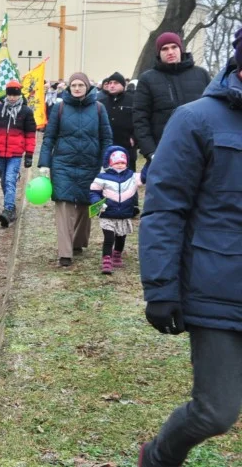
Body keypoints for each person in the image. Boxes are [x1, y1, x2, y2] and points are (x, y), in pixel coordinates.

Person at [137, 32, 242, 467]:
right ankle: (159, 456)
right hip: (217, 286)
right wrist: (161, 288)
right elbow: (164, 209)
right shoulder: (196, 119)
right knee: (216, 410)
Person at [39, 73, 113, 267]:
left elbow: (106, 137)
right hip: (63, 164)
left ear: (87, 87)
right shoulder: (59, 107)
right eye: (74, 85)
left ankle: (78, 242)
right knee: (64, 205)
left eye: (81, 85)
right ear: (69, 87)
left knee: (85, 204)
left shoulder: (98, 108)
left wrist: (107, 163)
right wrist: (44, 164)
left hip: (90, 164)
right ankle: (65, 253)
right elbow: (49, 137)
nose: (77, 88)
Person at [133, 32, 211, 178]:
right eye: (165, 49)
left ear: (180, 49)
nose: (170, 52)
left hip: (199, 151)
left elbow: (213, 112)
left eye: (174, 47)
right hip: (164, 153)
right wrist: (151, 152)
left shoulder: (201, 75)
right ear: (158, 53)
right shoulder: (148, 79)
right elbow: (140, 118)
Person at [0, 80, 37, 227]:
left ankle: (8, 209)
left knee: (10, 180)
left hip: (16, 152)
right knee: (4, 180)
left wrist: (29, 154)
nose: (12, 98)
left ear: (19, 95)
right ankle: (10, 205)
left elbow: (30, 135)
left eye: (15, 95)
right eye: (10, 95)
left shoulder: (26, 112)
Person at [88, 146, 140, 275]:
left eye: (123, 162)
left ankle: (117, 254)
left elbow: (144, 176)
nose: (120, 165)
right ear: (110, 163)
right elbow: (94, 192)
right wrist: (96, 202)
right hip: (108, 214)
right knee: (109, 237)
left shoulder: (131, 176)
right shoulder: (102, 177)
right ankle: (106, 260)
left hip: (124, 214)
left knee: (121, 237)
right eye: (117, 163)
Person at [99, 72, 136, 170]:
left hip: (126, 145)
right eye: (110, 83)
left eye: (115, 83)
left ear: (123, 85)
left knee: (127, 177)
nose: (111, 85)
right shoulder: (101, 103)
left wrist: (135, 137)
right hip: (107, 145)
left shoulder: (133, 100)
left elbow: (139, 120)